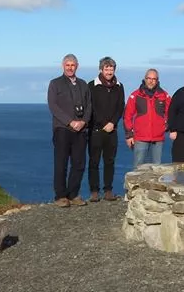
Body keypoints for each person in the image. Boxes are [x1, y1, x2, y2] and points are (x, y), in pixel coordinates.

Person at [46, 53, 92, 207]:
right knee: (61, 163)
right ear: (62, 66)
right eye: (68, 65)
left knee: (79, 163)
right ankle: (60, 196)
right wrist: (70, 122)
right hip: (62, 129)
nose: (70, 68)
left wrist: (83, 122)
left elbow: (89, 106)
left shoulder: (83, 84)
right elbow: (53, 106)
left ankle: (73, 194)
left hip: (81, 129)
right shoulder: (55, 83)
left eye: (73, 65)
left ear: (77, 66)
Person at [87, 57, 125, 202]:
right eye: (106, 68)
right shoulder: (92, 85)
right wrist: (104, 123)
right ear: (101, 70)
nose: (109, 71)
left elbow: (120, 106)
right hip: (96, 130)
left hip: (112, 130)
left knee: (110, 161)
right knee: (94, 161)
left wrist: (113, 122)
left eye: (111, 69)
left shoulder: (119, 86)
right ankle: (94, 191)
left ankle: (108, 190)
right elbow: (91, 107)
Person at [124, 69, 171, 169]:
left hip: (158, 139)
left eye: (154, 79)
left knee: (156, 168)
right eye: (149, 78)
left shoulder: (164, 96)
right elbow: (127, 115)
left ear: (157, 80)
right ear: (144, 79)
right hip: (140, 138)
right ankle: (136, 185)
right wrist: (129, 135)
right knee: (138, 167)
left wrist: (166, 126)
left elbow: (171, 112)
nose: (151, 81)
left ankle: (154, 185)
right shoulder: (135, 95)